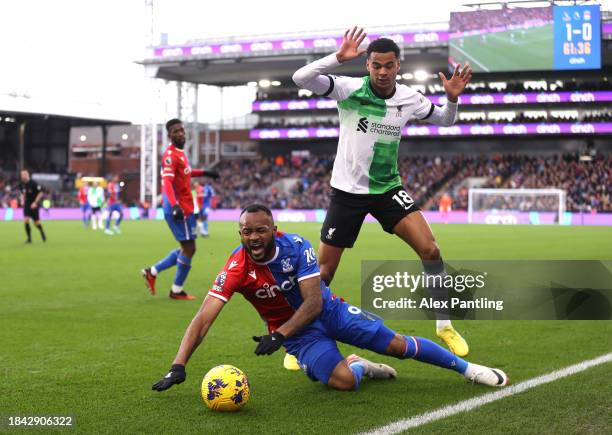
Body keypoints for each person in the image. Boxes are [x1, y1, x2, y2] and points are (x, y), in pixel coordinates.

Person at [152, 205, 507, 392]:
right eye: (247, 231)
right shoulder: (235, 267)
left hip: (327, 312)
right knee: (345, 383)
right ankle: (359, 365)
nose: (254, 237)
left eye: (261, 230)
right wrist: (178, 365)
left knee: (396, 345)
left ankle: (469, 370)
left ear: (274, 230)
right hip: (299, 335)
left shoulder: (297, 247)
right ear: (240, 233)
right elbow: (203, 319)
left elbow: (313, 304)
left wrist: (279, 336)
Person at [292, 28, 472, 356]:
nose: (383, 71)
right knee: (325, 272)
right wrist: (337, 58)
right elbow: (301, 77)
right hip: (346, 192)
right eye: (376, 65)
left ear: (398, 66)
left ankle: (444, 325)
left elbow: (446, 120)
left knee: (431, 251)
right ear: (367, 65)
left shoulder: (409, 99)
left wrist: (452, 97)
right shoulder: (348, 89)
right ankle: (300, 340)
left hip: (388, 189)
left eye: (389, 65)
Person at [141, 118, 219, 300]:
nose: (181, 134)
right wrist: (174, 205)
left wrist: (205, 173)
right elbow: (167, 182)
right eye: (176, 131)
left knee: (187, 247)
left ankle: (152, 271)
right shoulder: (170, 155)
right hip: (179, 209)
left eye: (182, 130)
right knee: (189, 248)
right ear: (170, 135)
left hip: (186, 207)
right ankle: (176, 290)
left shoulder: (180, 153)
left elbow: (185, 173)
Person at [19, 169, 46, 243]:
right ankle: (29, 239)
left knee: (36, 223)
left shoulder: (33, 183)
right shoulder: (21, 184)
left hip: (34, 205)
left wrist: (35, 202)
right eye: (21, 175)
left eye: (24, 174)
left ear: (27, 175)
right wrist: (22, 200)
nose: (22, 176)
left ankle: (42, 232)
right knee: (26, 220)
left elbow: (40, 193)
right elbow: (22, 193)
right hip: (27, 205)